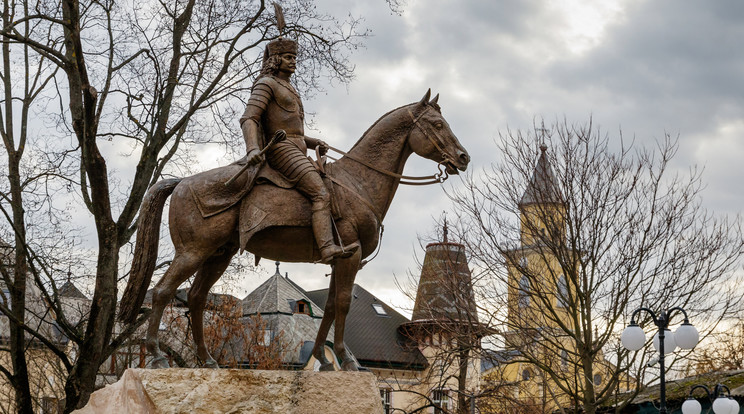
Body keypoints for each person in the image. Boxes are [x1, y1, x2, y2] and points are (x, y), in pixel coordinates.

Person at [239, 37, 356, 264]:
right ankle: (327, 249)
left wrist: (314, 143)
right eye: (288, 57)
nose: (293, 62)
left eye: (294, 58)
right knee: (320, 192)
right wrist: (252, 148)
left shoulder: (290, 88)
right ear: (275, 59)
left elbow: (294, 131)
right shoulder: (267, 84)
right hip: (281, 150)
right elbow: (249, 117)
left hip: (297, 148)